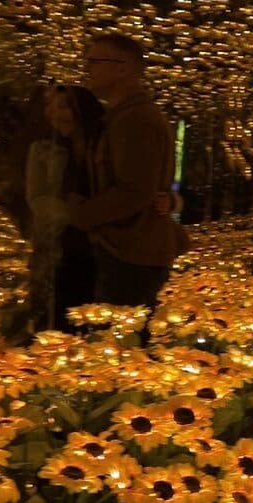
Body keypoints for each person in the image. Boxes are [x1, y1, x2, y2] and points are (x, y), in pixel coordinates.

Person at [69, 33, 187, 312]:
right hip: (127, 249)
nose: (87, 69)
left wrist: (79, 214)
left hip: (131, 253)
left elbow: (135, 191)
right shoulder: (120, 117)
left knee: (121, 332)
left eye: (95, 61)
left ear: (122, 68)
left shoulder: (135, 120)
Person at [24, 84, 104, 333]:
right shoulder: (45, 150)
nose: (55, 113)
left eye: (64, 106)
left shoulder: (99, 148)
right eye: (50, 106)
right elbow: (38, 200)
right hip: (60, 251)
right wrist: (81, 215)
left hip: (98, 253)